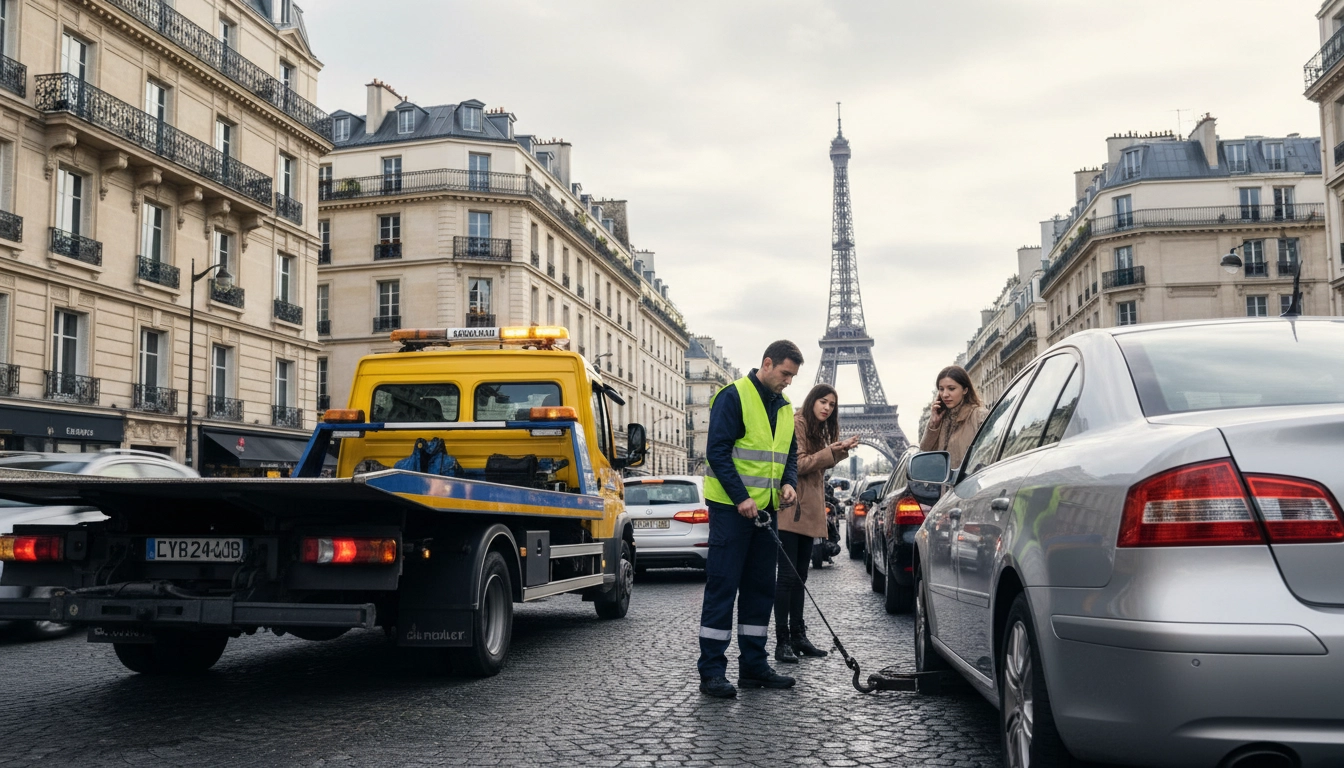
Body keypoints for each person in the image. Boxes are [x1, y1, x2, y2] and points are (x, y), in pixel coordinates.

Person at [697, 340, 804, 699]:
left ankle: (753, 667)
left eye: (793, 376)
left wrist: (789, 483)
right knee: (723, 589)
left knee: (760, 591)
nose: (788, 381)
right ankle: (712, 671)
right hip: (732, 511)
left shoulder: (786, 407)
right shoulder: (734, 396)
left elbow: (790, 454)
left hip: (767, 513)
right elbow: (717, 452)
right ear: (768, 363)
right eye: (786, 373)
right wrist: (741, 498)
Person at [775, 383, 859, 664]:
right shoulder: (797, 423)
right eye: (822, 401)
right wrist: (832, 451)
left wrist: (836, 450)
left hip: (807, 509)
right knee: (788, 578)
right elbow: (798, 465)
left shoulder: (816, 429)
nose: (827, 408)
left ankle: (798, 636)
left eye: (832, 405)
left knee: (800, 576)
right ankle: (782, 640)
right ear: (811, 401)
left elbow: (815, 464)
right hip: (791, 509)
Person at [919, 365, 988, 469]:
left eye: (951, 389)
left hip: (972, 483)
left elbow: (988, 454)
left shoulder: (979, 416)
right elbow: (926, 453)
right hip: (946, 485)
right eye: (941, 389)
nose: (945, 394)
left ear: (965, 390)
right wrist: (933, 425)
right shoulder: (940, 419)